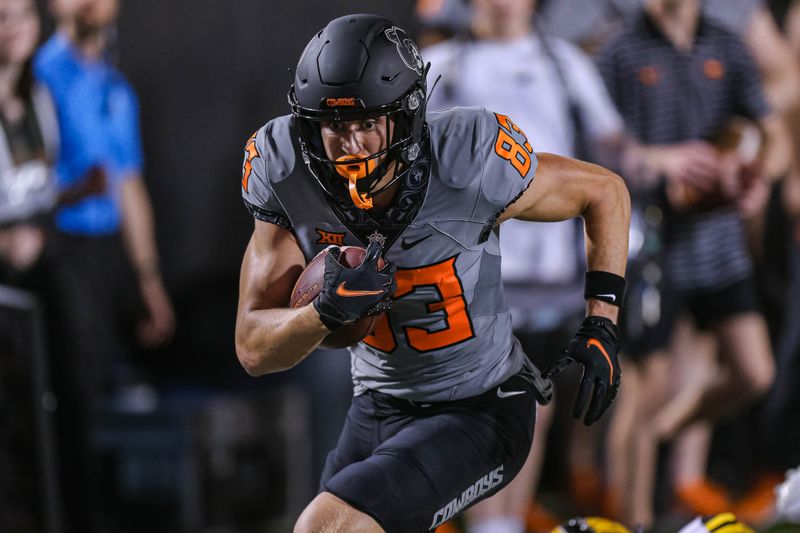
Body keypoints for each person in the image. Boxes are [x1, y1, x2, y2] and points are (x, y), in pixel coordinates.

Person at [235, 14, 630, 533]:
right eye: (333, 126)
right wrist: (321, 314)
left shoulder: (466, 156)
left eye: (367, 123)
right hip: (377, 407)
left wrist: (601, 323)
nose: (350, 145)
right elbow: (253, 349)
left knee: (326, 528)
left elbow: (605, 191)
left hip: (480, 407)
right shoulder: (284, 167)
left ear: (406, 116)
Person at [422, 0, 628, 529]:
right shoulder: (442, 64)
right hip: (476, 271)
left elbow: (616, 151)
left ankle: (503, 522)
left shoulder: (563, 62)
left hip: (553, 273)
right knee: (489, 403)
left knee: (533, 400)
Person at [596, 0, 792, 526]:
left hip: (719, 242)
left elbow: (772, 132)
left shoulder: (726, 44)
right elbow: (596, 144)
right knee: (642, 386)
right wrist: (662, 161)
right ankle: (632, 518)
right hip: (652, 240)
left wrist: (759, 180)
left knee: (754, 372)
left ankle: (664, 435)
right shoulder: (620, 48)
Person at [31, 0, 175, 530]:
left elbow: (127, 183)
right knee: (67, 401)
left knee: (100, 398)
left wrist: (148, 279)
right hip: (56, 255)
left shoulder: (116, 87)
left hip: (105, 256)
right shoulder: (38, 76)